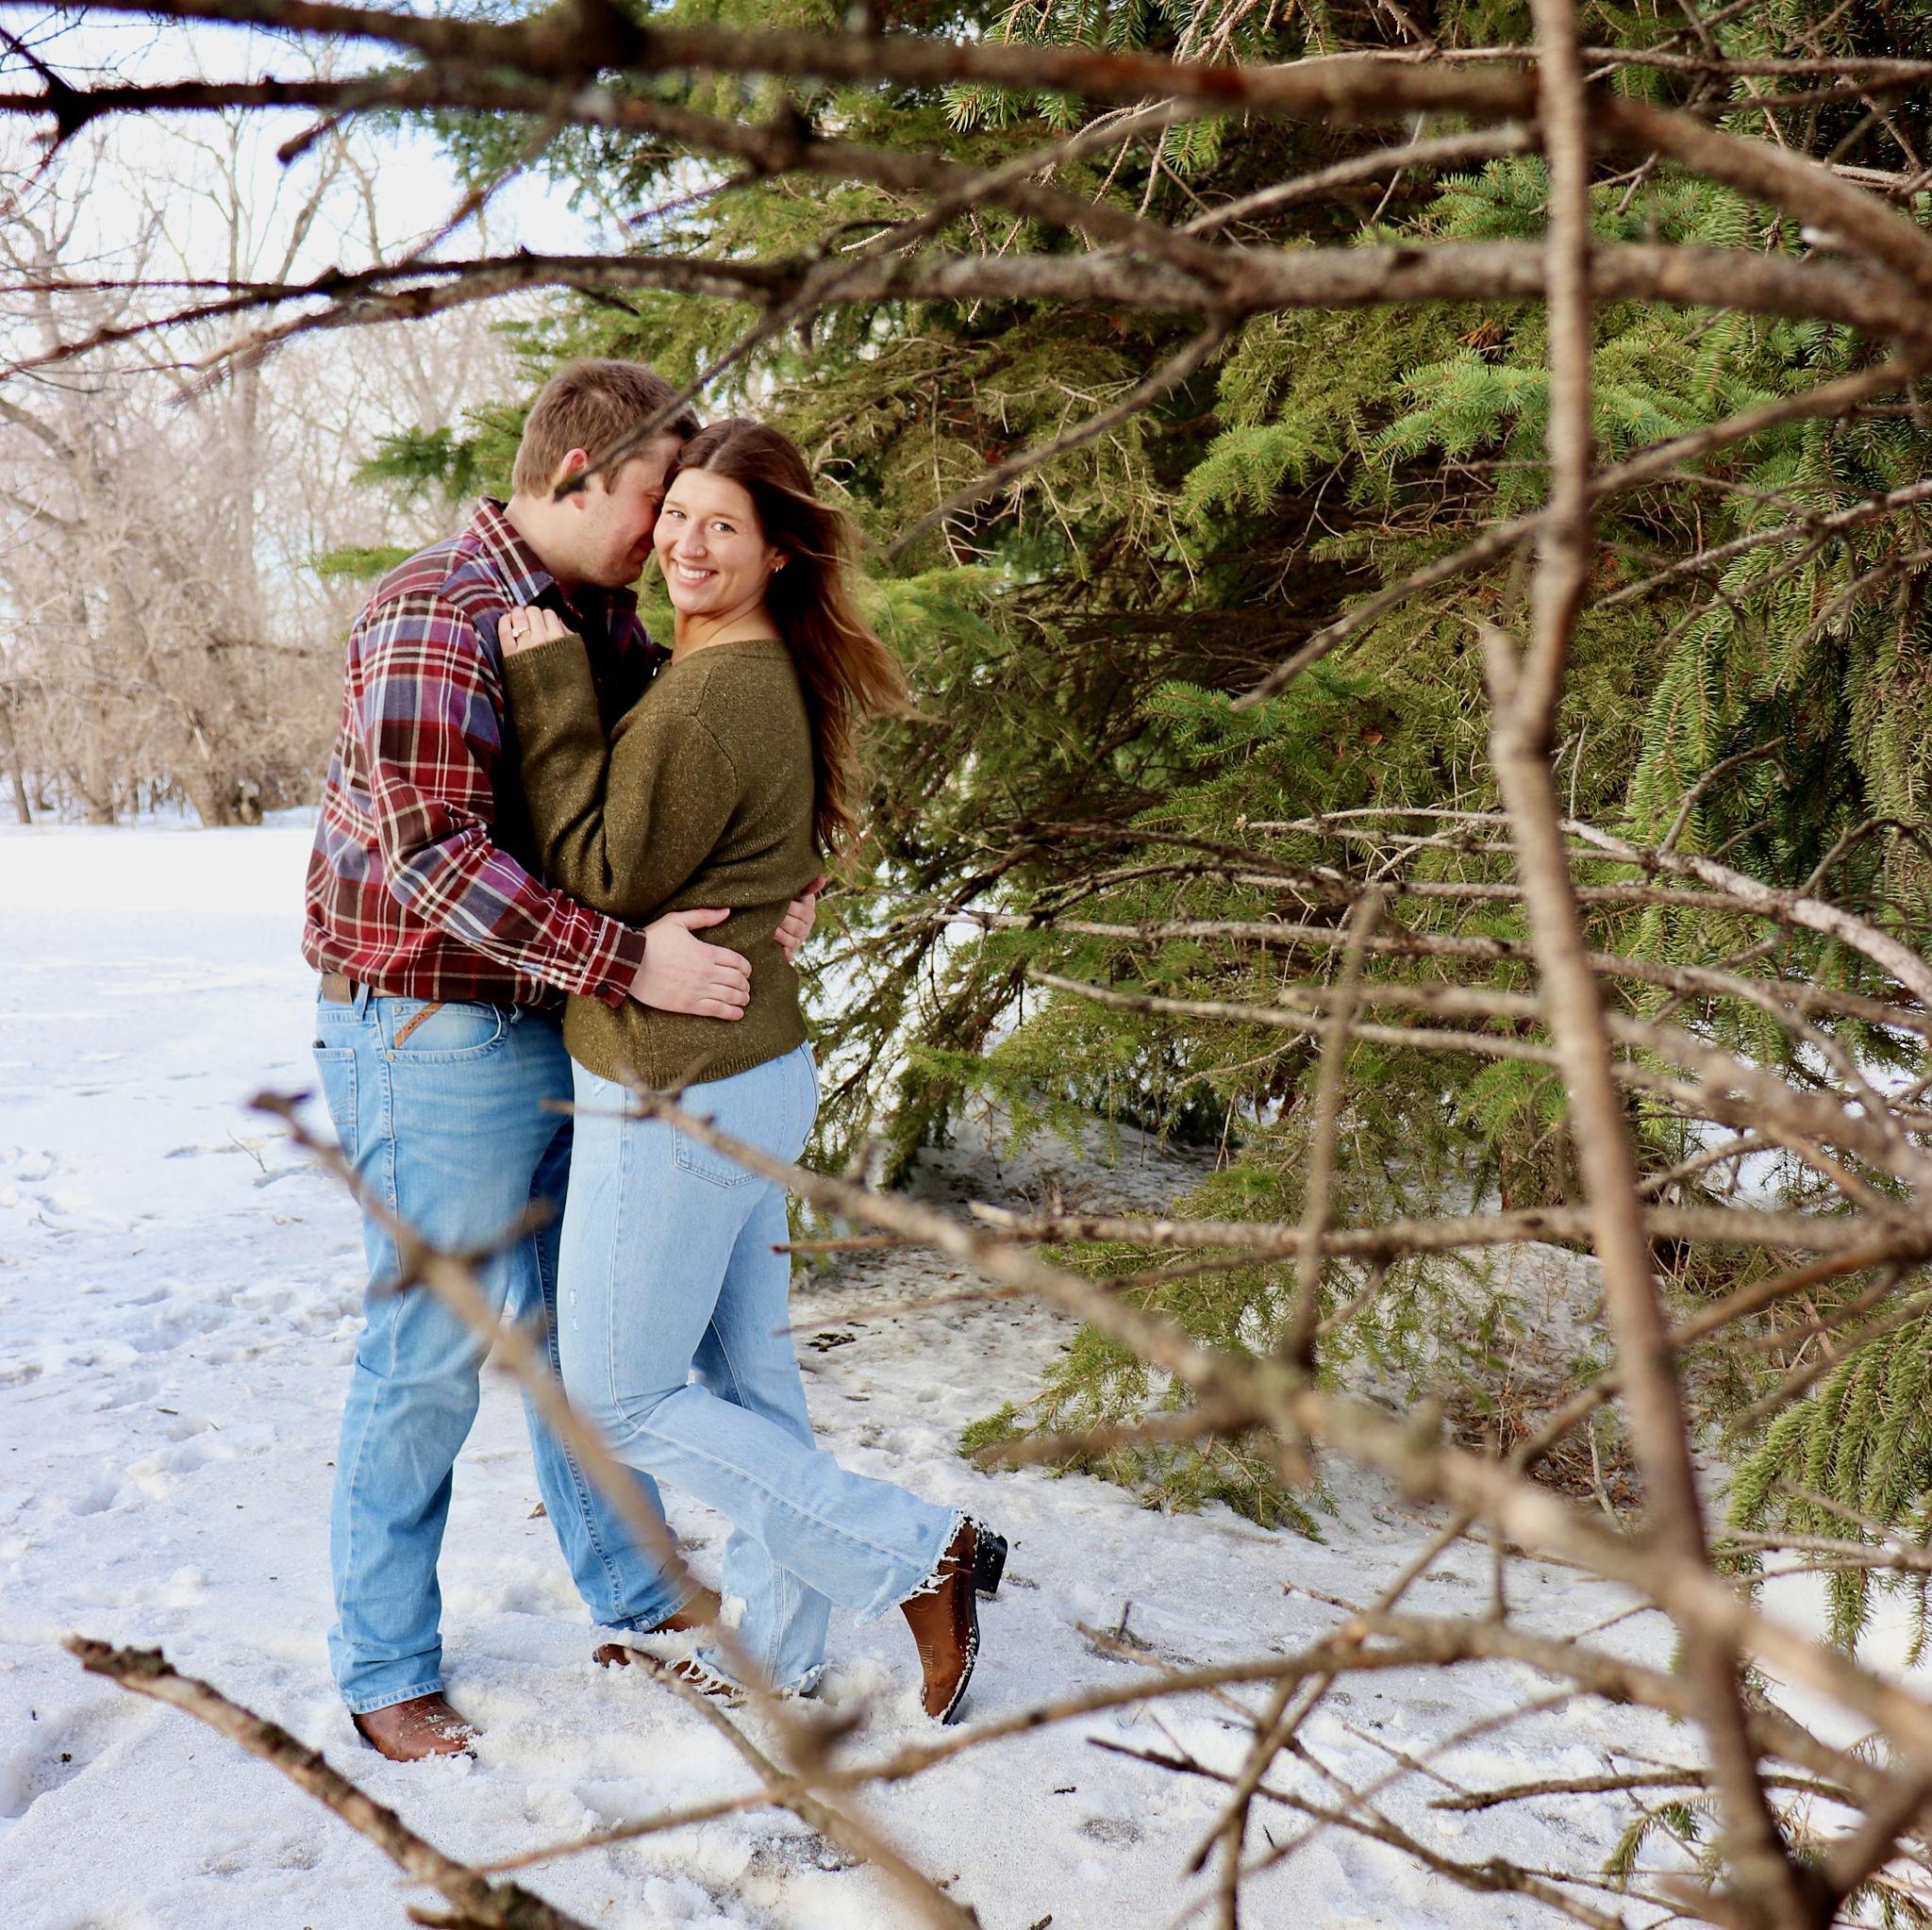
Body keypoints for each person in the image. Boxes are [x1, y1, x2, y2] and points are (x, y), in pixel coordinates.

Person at [302, 362, 821, 1760]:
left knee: (572, 1333)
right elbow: (435, 857)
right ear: (582, 476)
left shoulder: (602, 618)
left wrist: (777, 887)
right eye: (658, 499)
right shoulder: (435, 608)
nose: (669, 533)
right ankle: (385, 1664)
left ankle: (639, 1594)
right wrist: (626, 960)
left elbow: (661, 809)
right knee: (432, 1347)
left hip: (555, 1022)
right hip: (430, 1027)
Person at [498, 418, 1000, 1724]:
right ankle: (777, 1652)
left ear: (778, 552)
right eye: (676, 515)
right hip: (752, 1071)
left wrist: (550, 694)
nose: (686, 543)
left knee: (616, 1396)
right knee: (754, 1388)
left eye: (723, 525)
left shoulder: (719, 691)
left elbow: (605, 870)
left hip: (678, 1086)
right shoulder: (748, 670)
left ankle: (919, 1551)